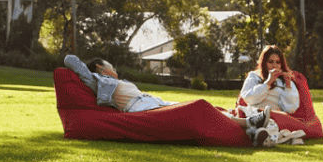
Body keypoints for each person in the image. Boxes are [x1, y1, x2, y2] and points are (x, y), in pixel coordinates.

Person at [62, 55, 282, 147]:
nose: (114, 68)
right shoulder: (99, 80)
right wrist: (93, 71)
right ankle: (251, 124)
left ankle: (252, 131)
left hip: (154, 105)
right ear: (101, 68)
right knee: (200, 107)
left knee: (210, 109)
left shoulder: (112, 81)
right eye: (110, 65)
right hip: (144, 111)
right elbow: (70, 60)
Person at [237, 45, 301, 115]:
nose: (274, 65)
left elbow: (290, 109)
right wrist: (268, 83)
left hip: (277, 116)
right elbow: (249, 99)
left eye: (278, 62)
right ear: (264, 63)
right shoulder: (254, 76)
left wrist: (288, 85)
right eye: (270, 62)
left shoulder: (285, 81)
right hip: (256, 113)